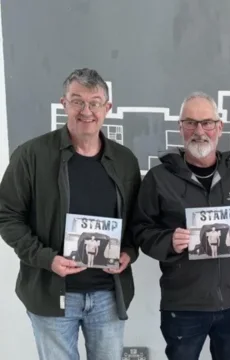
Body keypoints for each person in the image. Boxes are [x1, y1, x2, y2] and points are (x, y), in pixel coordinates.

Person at [0, 68, 142, 360]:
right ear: (63, 104)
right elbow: (7, 216)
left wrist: (128, 251)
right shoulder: (31, 155)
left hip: (108, 295)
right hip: (51, 294)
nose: (86, 110)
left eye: (95, 102)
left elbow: (137, 220)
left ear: (107, 108)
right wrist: (46, 259)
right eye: (77, 101)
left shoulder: (125, 160)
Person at [130, 91, 230, 360]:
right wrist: (168, 240)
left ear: (220, 127)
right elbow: (141, 229)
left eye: (207, 122)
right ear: (180, 127)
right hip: (182, 307)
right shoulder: (159, 179)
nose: (199, 131)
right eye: (191, 123)